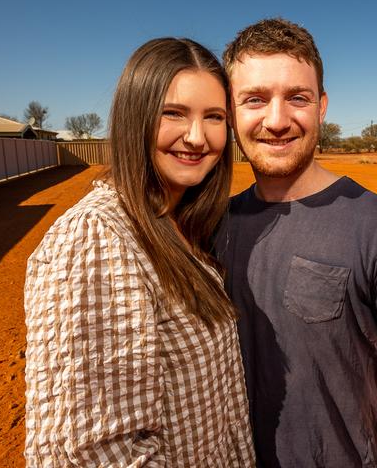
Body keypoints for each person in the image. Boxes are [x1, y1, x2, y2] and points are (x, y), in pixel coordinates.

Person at [215, 18, 377, 467]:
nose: (276, 121)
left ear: (321, 106)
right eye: (255, 99)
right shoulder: (213, 225)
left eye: (297, 98)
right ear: (231, 111)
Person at [24, 38, 255, 467]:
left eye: (215, 117)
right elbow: (100, 453)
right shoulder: (98, 236)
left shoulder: (178, 223)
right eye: (174, 113)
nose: (197, 137)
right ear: (135, 117)